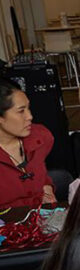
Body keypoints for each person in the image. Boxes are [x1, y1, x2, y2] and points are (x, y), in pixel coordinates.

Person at [0, 78, 56, 208]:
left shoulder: (40, 138)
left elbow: (40, 173)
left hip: (41, 220)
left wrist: (47, 187)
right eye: (21, 111)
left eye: (28, 108)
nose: (29, 116)